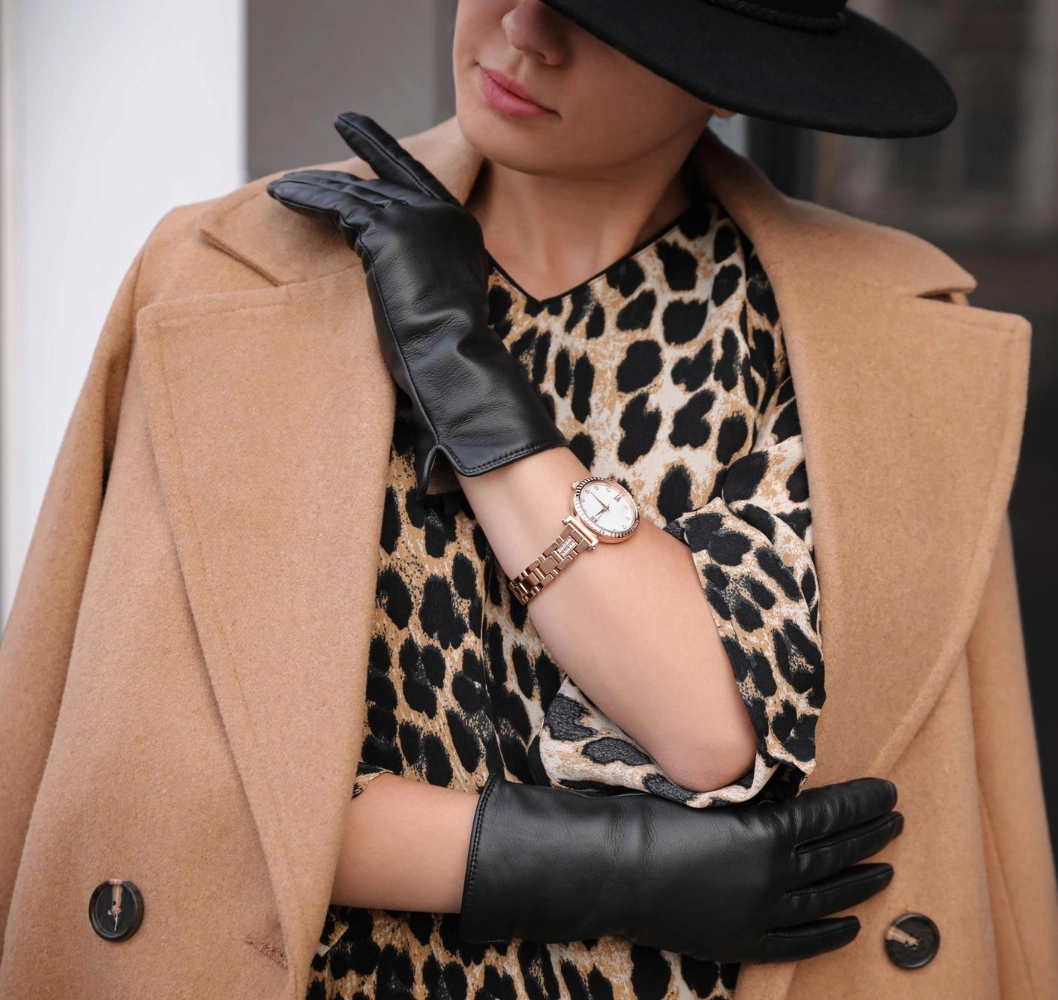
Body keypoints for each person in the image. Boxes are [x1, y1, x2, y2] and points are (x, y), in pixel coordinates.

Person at [0, 3, 1054, 1000]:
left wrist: (460, 370)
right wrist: (601, 866)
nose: (523, 31)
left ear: (731, 78)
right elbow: (156, 777)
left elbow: (706, 729)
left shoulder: (864, 344)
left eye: (605, 13)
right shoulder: (228, 281)